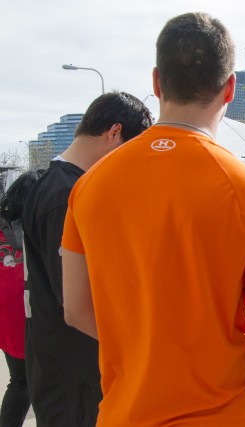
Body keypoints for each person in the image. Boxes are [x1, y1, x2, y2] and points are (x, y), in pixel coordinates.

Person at [61, 13, 245, 426]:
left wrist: (147, 345)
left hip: (125, 415)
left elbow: (77, 310)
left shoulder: (89, 186)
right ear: (229, 88)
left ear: (156, 82)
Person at [22, 92, 153, 427]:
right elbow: (76, 305)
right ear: (114, 133)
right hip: (73, 373)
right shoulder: (67, 195)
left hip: (66, 365)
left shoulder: (59, 185)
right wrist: (138, 348)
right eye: (132, 149)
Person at [0, 170, 44, 427]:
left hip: (7, 314)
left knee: (20, 380)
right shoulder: (30, 225)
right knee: (30, 383)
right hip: (23, 310)